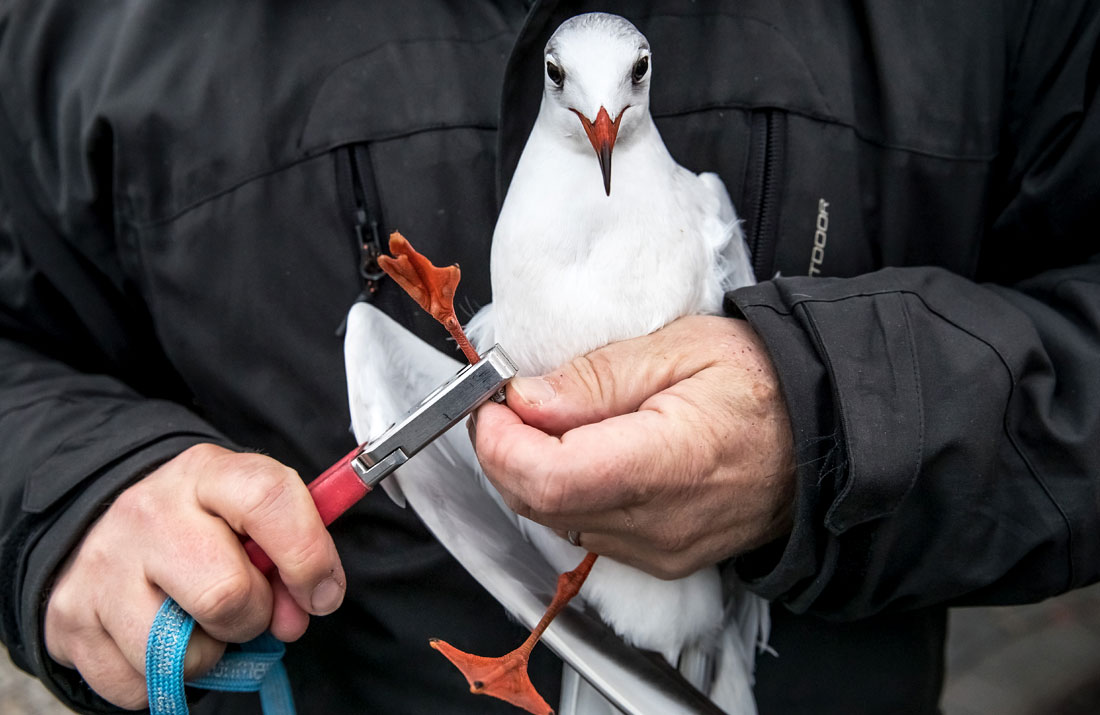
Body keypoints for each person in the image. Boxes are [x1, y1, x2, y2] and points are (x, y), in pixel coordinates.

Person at [1, 1, 1097, 714]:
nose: (602, 116)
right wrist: (74, 496)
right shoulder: (83, 31)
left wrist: (823, 425)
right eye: (575, 90)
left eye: (626, 86)